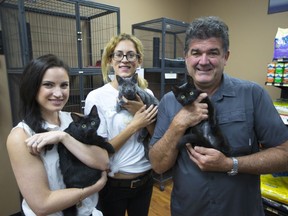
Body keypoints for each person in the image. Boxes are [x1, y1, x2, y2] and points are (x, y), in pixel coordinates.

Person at [148, 16, 288, 216]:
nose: (203, 61)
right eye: (196, 53)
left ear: (226, 57)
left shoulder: (252, 95)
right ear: (186, 57)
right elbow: (158, 165)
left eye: (212, 53)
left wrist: (231, 164)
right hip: (188, 210)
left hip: (240, 210)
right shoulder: (169, 102)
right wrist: (178, 124)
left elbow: (285, 154)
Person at [6, 54, 109, 216]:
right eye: (48, 85)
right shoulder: (21, 136)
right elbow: (42, 204)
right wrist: (92, 189)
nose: (59, 93)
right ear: (33, 87)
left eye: (64, 85)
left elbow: (103, 162)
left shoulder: (73, 119)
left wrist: (63, 137)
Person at [84, 33, 158, 216]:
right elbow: (99, 153)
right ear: (110, 60)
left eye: (131, 55)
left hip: (145, 181)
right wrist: (135, 123)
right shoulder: (96, 97)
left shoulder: (146, 93)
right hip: (114, 186)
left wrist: (145, 119)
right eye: (119, 54)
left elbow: (157, 137)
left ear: (138, 61)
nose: (125, 60)